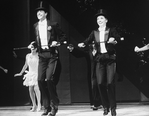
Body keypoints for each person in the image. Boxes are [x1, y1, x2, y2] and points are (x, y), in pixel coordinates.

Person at [78, 9, 121, 116]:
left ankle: (113, 108)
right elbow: (87, 40)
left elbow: (118, 39)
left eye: (101, 18)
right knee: (100, 83)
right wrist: (82, 44)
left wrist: (114, 40)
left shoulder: (111, 30)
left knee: (110, 83)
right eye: (98, 19)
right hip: (100, 60)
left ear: (106, 20)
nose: (99, 20)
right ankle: (105, 107)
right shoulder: (94, 32)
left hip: (110, 59)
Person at [34, 1, 67, 116]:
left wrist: (57, 42)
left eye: (41, 11)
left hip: (52, 55)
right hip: (42, 55)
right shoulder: (36, 26)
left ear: (46, 13)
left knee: (49, 80)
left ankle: (54, 106)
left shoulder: (53, 24)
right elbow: (37, 41)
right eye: (37, 12)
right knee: (40, 80)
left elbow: (63, 37)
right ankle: (46, 107)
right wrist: (33, 45)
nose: (39, 13)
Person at [14, 41, 41, 112]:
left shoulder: (39, 55)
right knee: (30, 90)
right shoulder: (28, 55)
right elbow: (26, 65)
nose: (31, 49)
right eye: (31, 48)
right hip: (30, 73)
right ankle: (34, 105)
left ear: (36, 48)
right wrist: (20, 73)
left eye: (33, 48)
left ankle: (39, 104)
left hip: (37, 73)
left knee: (36, 88)